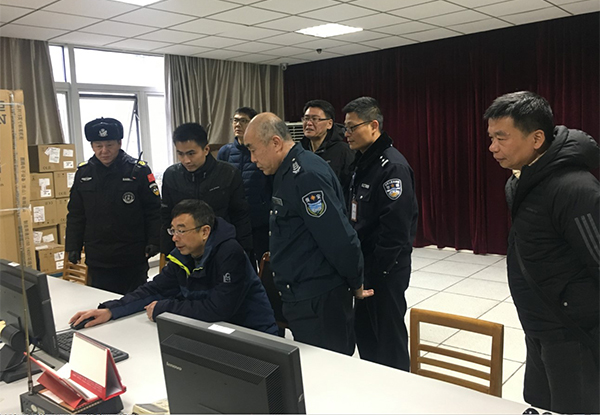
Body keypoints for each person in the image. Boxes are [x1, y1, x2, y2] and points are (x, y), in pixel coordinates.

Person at [485, 91, 599, 414]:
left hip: (571, 330)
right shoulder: (520, 181)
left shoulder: (574, 188)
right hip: (538, 322)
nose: (492, 147)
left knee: (574, 407)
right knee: (541, 401)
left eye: (501, 138)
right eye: (491, 138)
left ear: (536, 139)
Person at [243, 112, 371, 356]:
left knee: (329, 367)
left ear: (275, 142)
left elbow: (338, 239)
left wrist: (356, 281)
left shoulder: (306, 175)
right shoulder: (287, 171)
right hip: (301, 295)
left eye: (253, 149)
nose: (252, 159)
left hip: (318, 299)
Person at [70, 199, 278, 335]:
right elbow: (155, 289)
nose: (175, 238)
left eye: (182, 230)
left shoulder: (230, 253)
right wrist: (111, 310)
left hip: (253, 335)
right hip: (212, 332)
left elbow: (219, 308)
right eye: (173, 230)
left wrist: (165, 308)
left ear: (205, 232)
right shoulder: (183, 255)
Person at [342, 97, 418, 371]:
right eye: (345, 128)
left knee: (388, 338)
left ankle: (398, 389)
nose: (347, 134)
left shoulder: (392, 167)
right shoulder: (363, 161)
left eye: (352, 127)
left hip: (384, 269)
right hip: (365, 265)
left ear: (374, 126)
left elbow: (395, 230)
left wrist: (377, 272)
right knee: (366, 333)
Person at [66, 117, 161, 295]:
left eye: (109, 145)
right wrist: (73, 246)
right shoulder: (84, 174)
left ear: (119, 143)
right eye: (98, 146)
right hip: (98, 256)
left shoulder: (138, 171)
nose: (104, 151)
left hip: (131, 254)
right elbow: (76, 214)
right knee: (101, 302)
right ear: (92, 146)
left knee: (135, 302)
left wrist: (154, 241)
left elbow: (154, 210)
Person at [160, 122, 252, 257]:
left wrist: (244, 251)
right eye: (180, 154)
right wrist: (166, 252)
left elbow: (240, 215)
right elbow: (166, 216)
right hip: (184, 251)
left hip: (221, 248)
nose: (186, 160)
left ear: (206, 149)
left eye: (191, 153)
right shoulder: (171, 175)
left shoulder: (228, 173)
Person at [217, 107, 271, 267]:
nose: (237, 124)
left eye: (243, 121)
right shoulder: (225, 152)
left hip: (260, 220)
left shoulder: (263, 150)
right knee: (240, 264)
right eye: (235, 120)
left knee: (265, 264)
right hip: (235, 221)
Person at [300, 99, 354, 189]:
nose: (309, 123)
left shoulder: (343, 150)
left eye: (315, 119)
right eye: (306, 118)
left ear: (329, 124)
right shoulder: (300, 151)